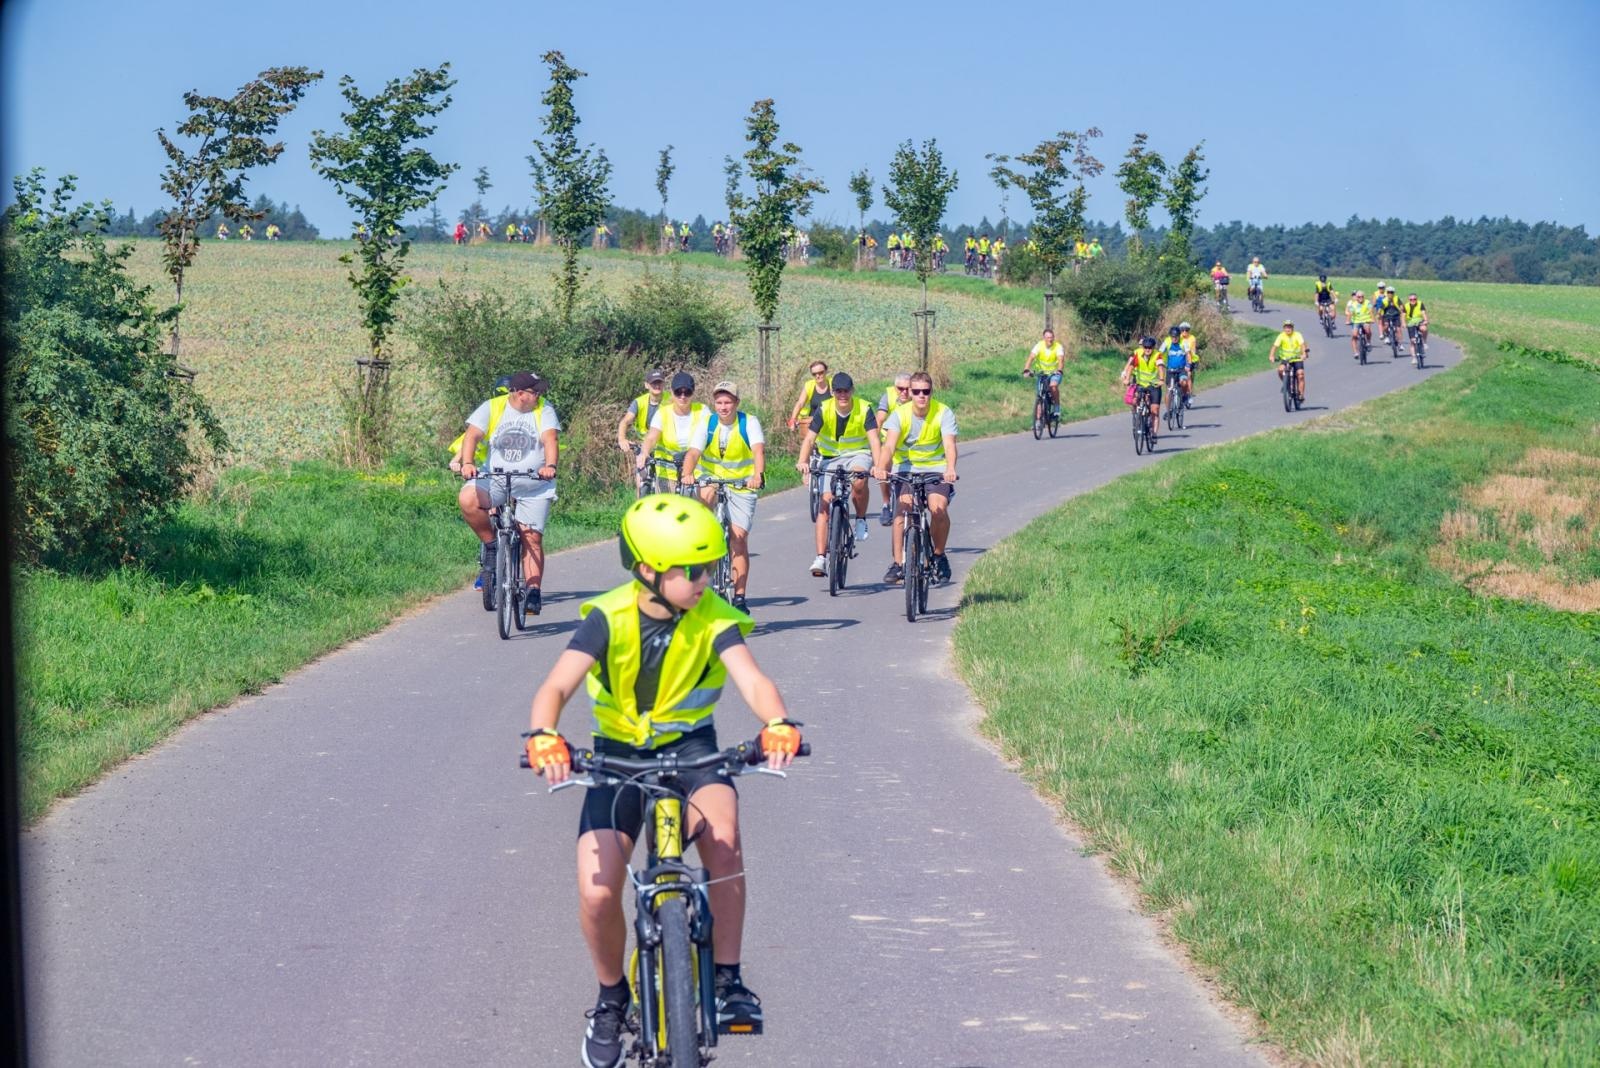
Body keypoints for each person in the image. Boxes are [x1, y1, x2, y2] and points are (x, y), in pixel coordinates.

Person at [523, 493, 802, 1068]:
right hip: (616, 760)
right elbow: (556, 686)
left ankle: (728, 981)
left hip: (694, 753)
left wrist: (776, 722)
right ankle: (610, 999)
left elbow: (751, 679)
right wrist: (544, 734)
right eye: (693, 571)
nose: (706, 579)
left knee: (724, 843)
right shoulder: (608, 617)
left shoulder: (714, 616)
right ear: (648, 570)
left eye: (710, 568)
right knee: (598, 890)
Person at [454, 371, 560, 619]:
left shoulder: (544, 409)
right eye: (536, 392)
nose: (540, 395)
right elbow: (472, 435)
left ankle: (533, 591)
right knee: (467, 499)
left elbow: (550, 439)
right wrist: (468, 463)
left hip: (534, 483)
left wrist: (551, 467)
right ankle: (492, 545)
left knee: (531, 538)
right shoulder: (493, 407)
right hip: (497, 480)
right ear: (520, 394)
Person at [680, 382, 765, 612]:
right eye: (719, 402)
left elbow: (758, 451)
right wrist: (687, 473)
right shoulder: (706, 424)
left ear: (737, 403)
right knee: (706, 496)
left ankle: (739, 597)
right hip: (711, 479)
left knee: (738, 539)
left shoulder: (749, 423)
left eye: (728, 402)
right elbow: (694, 452)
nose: (723, 407)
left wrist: (757, 476)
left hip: (742, 484)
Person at [874, 371, 958, 585]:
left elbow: (949, 444)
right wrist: (882, 468)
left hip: (936, 468)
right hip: (906, 469)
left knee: (938, 508)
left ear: (931, 392)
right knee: (901, 513)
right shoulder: (899, 415)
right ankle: (898, 564)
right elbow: (889, 446)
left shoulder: (943, 412)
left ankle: (939, 556)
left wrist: (950, 468)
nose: (922, 396)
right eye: (917, 391)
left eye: (926, 391)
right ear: (910, 393)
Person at [796, 372, 881, 577]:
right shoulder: (824, 410)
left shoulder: (864, 408)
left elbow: (874, 441)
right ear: (833, 393)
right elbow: (809, 440)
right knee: (825, 503)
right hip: (829, 458)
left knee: (859, 481)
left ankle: (860, 518)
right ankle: (821, 557)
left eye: (846, 391)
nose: (842, 395)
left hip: (857, 455)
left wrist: (878, 466)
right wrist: (803, 462)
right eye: (838, 391)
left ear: (852, 391)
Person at [635, 372, 710, 494]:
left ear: (693, 393)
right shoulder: (662, 413)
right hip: (668, 473)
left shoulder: (702, 411)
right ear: (671, 391)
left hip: (696, 473)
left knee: (695, 510)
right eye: (678, 392)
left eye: (687, 392)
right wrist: (644, 453)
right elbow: (651, 438)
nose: (683, 396)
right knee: (667, 511)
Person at [615, 369, 668, 485]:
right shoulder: (639, 402)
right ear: (646, 385)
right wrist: (622, 439)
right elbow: (625, 421)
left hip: (666, 448)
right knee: (641, 481)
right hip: (643, 446)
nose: (657, 386)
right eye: (654, 383)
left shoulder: (671, 401)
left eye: (659, 382)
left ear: (664, 384)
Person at [874, 373, 912, 525]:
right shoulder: (888, 396)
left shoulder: (917, 399)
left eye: (907, 389)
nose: (903, 392)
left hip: (908, 444)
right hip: (888, 441)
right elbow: (880, 418)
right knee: (884, 469)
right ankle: (885, 504)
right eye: (900, 388)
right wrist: (874, 441)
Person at [1120, 336, 1164, 445]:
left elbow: (1160, 367)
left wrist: (1161, 379)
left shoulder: (1157, 355)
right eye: (1145, 347)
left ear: (1153, 347)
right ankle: (1138, 417)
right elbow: (1131, 367)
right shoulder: (1138, 355)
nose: (1147, 349)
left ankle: (1154, 433)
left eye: (1150, 347)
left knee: (1155, 410)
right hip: (1140, 384)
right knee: (1134, 401)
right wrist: (1127, 379)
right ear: (1143, 347)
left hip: (1153, 385)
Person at [1021, 328, 1066, 417]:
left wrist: (1059, 370)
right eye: (1048, 337)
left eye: (1052, 337)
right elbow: (1031, 358)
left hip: (1054, 373)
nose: (1050, 339)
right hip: (1042, 374)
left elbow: (1061, 360)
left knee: (1053, 386)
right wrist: (1026, 369)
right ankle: (1038, 421)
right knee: (1040, 395)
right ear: (1044, 338)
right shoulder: (1039, 346)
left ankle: (1057, 408)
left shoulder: (1058, 346)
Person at [1269, 319, 1309, 402]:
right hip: (1285, 359)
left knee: (1300, 374)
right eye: (1286, 327)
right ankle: (1286, 383)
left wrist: (1304, 354)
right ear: (1284, 328)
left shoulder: (1297, 335)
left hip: (1297, 358)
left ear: (1292, 328)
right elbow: (1274, 346)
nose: (1288, 329)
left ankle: (1301, 394)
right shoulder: (1281, 336)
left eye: (1290, 327)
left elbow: (1302, 345)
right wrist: (1272, 356)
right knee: (1280, 370)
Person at [786, 360, 831, 431]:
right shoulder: (809, 385)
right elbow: (800, 403)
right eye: (814, 374)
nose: (818, 376)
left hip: (830, 423)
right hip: (813, 424)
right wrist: (793, 419)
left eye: (821, 373)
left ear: (826, 371)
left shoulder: (833, 384)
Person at [1161, 326, 1194, 408]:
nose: (1174, 338)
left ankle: (1185, 395)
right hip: (1170, 369)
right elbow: (1159, 352)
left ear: (1179, 336)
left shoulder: (1184, 342)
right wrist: (1159, 363)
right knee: (1169, 390)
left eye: (1176, 337)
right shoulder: (1167, 341)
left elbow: (1188, 355)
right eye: (1172, 337)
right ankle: (1168, 411)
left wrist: (1188, 365)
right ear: (1170, 336)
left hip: (1181, 369)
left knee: (1184, 382)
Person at [1346, 290, 1374, 358]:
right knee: (1354, 335)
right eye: (1359, 297)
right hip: (1356, 321)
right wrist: (1348, 320)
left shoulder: (1367, 302)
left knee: (1367, 330)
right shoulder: (1353, 304)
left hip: (1365, 320)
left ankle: (1368, 342)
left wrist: (1372, 319)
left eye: (1362, 296)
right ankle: (1356, 352)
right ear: (1356, 297)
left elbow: (1370, 311)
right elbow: (1351, 313)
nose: (1360, 298)